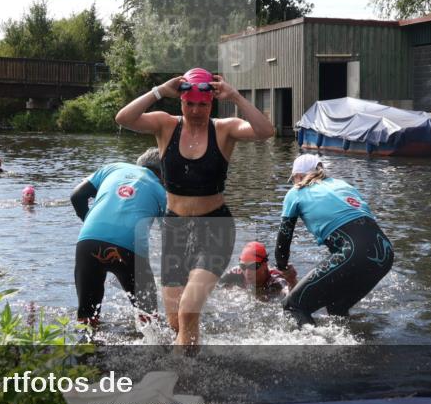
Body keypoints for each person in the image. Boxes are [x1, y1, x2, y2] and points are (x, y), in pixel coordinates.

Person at [115, 67, 275, 345]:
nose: (196, 111)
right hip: (174, 229)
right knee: (175, 322)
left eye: (202, 105)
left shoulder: (224, 129)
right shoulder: (165, 125)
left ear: (211, 103)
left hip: (214, 229)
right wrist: (159, 91)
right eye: (190, 104)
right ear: (181, 101)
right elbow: (123, 118)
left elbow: (266, 131)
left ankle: (176, 371)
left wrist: (236, 97)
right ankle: (194, 363)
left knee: (188, 311)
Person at [276, 154, 394, 327]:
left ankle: (315, 345)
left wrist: (283, 269)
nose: (294, 183)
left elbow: (282, 243)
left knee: (292, 306)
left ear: (298, 176)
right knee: (336, 306)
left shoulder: (296, 192)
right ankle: (357, 342)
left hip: (355, 252)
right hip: (385, 253)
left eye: (293, 179)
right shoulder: (343, 185)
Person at [70, 148, 167, 326]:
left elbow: (77, 196)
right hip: (129, 249)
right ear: (163, 174)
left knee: (87, 318)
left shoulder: (113, 168)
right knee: (149, 318)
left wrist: (89, 222)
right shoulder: (162, 192)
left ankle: (87, 341)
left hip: (88, 241)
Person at [218, 241, 296, 302]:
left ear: (265, 265)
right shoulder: (236, 272)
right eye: (243, 266)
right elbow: (216, 287)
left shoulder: (275, 279)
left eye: (253, 266)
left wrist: (292, 281)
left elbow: (290, 294)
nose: (247, 272)